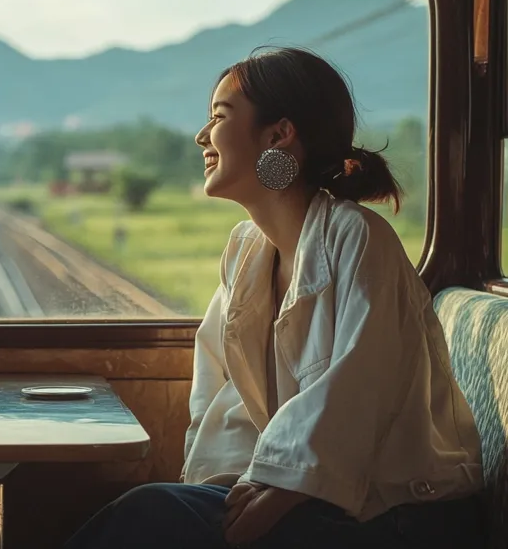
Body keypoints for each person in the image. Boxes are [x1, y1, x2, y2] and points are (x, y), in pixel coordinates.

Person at [63, 47, 486, 549]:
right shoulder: (246, 251)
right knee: (160, 510)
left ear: (279, 135)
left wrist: (285, 485)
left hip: (403, 511)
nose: (203, 136)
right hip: (317, 495)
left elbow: (362, 383)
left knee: (148, 514)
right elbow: (226, 395)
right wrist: (235, 484)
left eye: (219, 117)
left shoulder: (357, 237)